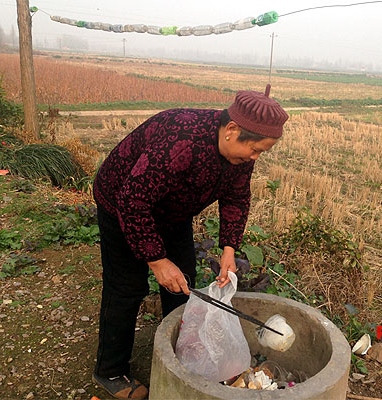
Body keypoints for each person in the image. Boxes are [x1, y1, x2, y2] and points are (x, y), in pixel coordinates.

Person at [91, 85, 288, 399]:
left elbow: (237, 198)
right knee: (126, 287)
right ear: (232, 130)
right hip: (122, 204)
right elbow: (134, 201)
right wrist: (156, 260)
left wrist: (228, 249)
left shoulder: (241, 156)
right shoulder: (182, 142)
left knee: (182, 280)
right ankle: (111, 371)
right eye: (255, 149)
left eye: (262, 152)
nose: (255, 157)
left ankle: (184, 355)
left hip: (172, 211)